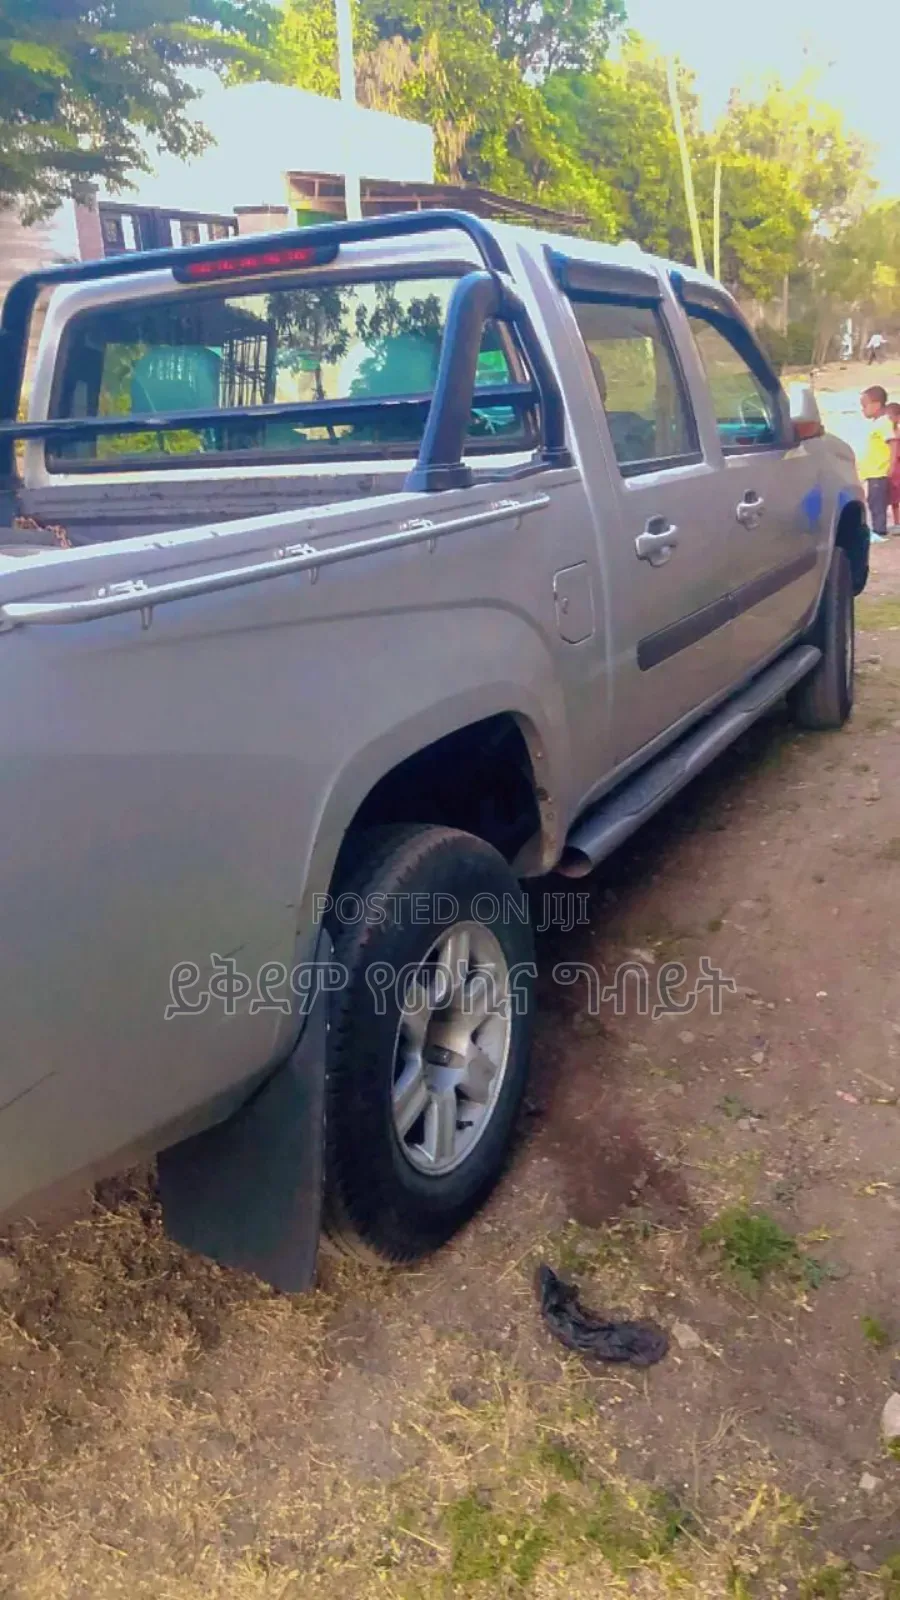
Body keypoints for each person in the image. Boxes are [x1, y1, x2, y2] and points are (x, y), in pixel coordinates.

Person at [859, 386, 894, 540]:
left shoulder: (884, 423)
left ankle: (879, 531)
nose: (863, 410)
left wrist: (891, 465)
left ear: (877, 405)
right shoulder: (876, 423)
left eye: (864, 405)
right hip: (872, 472)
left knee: (877, 503)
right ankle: (877, 529)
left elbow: (893, 443)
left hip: (879, 472)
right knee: (873, 501)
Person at [887, 401, 900, 530]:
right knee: (893, 498)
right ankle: (896, 523)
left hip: (896, 467)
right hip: (893, 467)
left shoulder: (896, 433)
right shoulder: (889, 431)